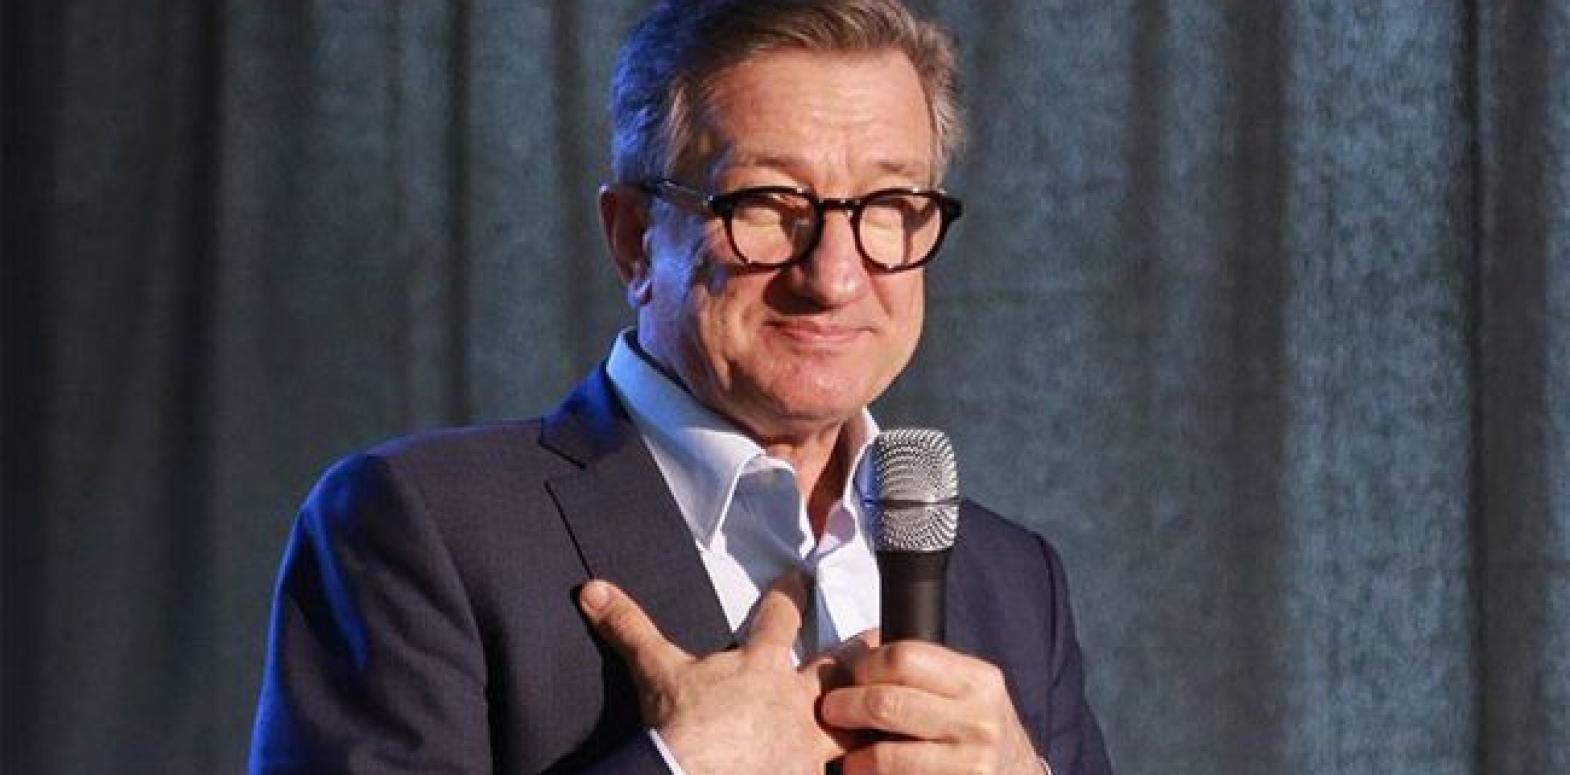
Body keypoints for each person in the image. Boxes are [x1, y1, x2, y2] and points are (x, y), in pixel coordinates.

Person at [248, 1, 1110, 773]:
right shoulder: (422, 526)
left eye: (886, 204)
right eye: (767, 204)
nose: (835, 276)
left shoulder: (1012, 579)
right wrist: (680, 765)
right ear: (634, 239)